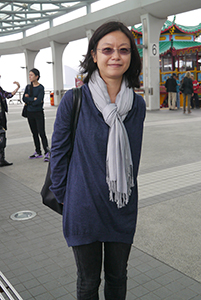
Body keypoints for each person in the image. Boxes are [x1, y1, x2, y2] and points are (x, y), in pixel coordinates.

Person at [50, 21, 146, 300]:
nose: (115, 56)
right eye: (107, 49)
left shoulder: (136, 105)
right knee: (88, 281)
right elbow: (58, 152)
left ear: (131, 56)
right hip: (83, 206)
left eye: (123, 50)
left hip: (121, 205)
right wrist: (66, 196)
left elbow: (134, 157)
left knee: (118, 278)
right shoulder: (74, 99)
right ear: (94, 55)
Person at [22, 68, 50, 162]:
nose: (29, 77)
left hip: (38, 113)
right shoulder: (28, 87)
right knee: (34, 133)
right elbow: (24, 99)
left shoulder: (41, 88)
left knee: (41, 132)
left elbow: (39, 101)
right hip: (30, 113)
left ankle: (47, 152)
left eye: (31, 75)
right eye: (29, 75)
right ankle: (38, 151)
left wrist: (30, 100)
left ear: (37, 77)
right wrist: (32, 99)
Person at [0, 81, 20, 167]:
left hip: (1, 117)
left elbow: (8, 95)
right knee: (1, 137)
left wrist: (17, 88)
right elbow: (7, 95)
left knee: (2, 137)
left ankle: (1, 159)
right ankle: (1, 159)